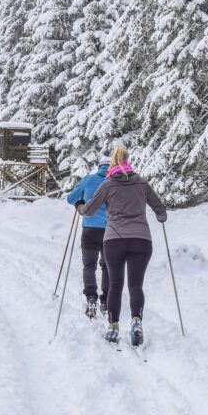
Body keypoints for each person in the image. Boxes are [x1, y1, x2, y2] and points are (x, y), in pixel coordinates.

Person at [77, 145, 167, 347]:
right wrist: (161, 216)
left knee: (116, 285)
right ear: (128, 161)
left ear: (112, 164)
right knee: (136, 285)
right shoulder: (142, 183)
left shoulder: (108, 184)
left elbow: (90, 209)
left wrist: (80, 208)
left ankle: (113, 326)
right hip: (141, 240)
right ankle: (136, 320)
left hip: (114, 240)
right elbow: (159, 208)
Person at [66, 149, 111, 318]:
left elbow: (70, 199)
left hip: (90, 229)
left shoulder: (89, 179)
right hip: (109, 230)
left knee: (89, 266)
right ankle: (105, 300)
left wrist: (80, 201)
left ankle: (91, 298)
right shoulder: (114, 181)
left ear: (99, 165)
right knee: (107, 266)